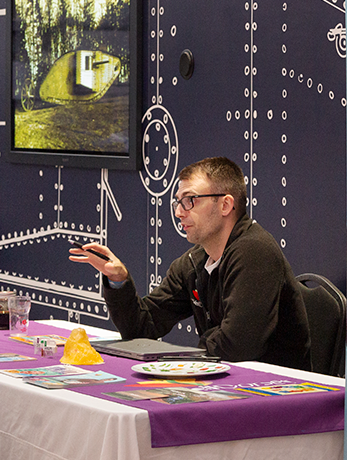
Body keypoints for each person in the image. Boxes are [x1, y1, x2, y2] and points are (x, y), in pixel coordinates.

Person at [70, 156, 312, 369]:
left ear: (225, 204)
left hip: (273, 399)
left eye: (190, 200)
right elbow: (143, 328)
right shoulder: (194, 262)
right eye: (178, 202)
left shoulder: (255, 252)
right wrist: (119, 281)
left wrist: (201, 344)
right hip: (229, 389)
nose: (179, 212)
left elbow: (238, 347)